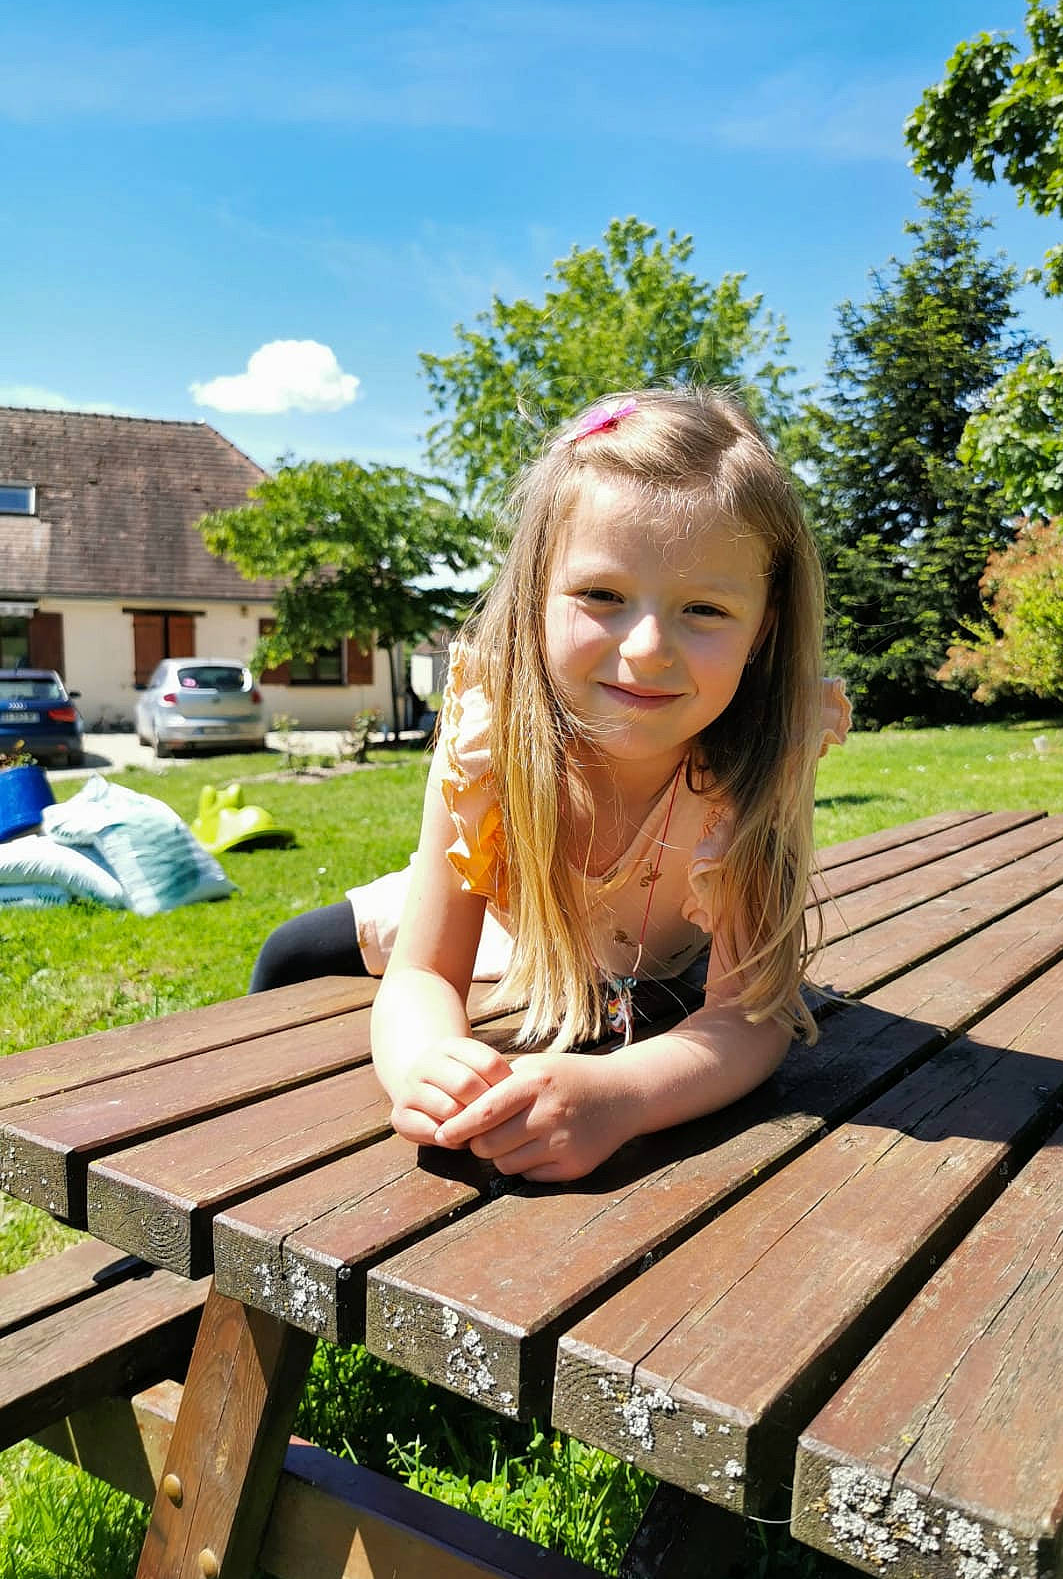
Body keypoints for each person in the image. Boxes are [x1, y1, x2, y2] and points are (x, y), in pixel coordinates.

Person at [253, 386, 850, 1181]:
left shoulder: (756, 762)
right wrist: (430, 1066)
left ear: (764, 628)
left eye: (704, 608)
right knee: (294, 954)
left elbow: (747, 1014)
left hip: (657, 953)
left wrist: (623, 1093)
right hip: (513, 907)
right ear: (535, 594)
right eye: (601, 595)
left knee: (647, 1001)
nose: (645, 649)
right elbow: (426, 973)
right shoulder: (488, 733)